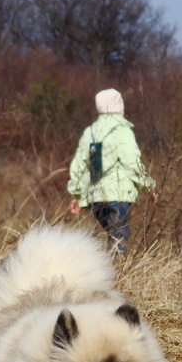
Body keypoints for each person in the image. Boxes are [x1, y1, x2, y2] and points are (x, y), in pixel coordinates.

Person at [68, 88, 155, 255]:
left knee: (112, 237)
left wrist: (76, 195)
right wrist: (149, 186)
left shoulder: (90, 132)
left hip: (95, 198)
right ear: (119, 105)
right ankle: (117, 277)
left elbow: (78, 164)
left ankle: (108, 272)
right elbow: (132, 162)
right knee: (118, 242)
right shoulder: (122, 131)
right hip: (118, 196)